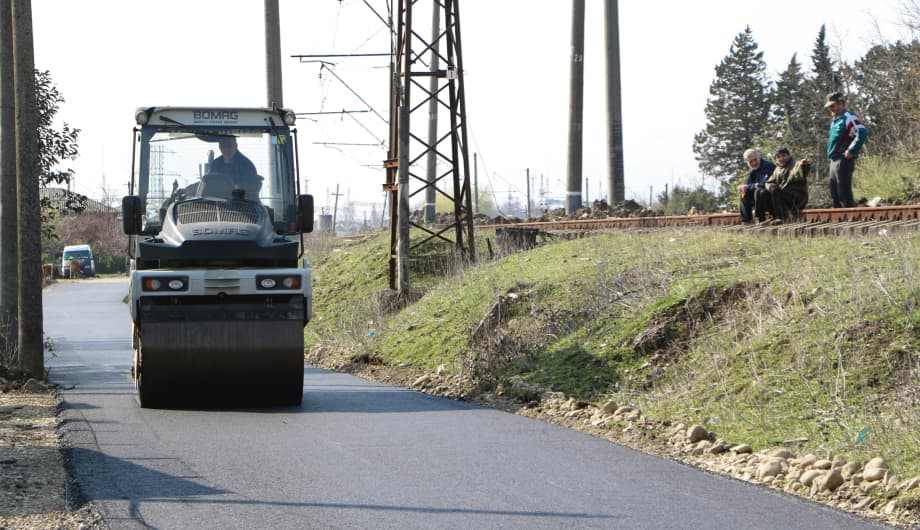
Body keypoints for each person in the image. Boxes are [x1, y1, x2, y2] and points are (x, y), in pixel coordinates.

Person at [825, 92, 867, 208]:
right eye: (829, 107)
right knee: (835, 195)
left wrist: (851, 151)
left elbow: (862, 132)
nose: (830, 109)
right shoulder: (835, 121)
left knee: (844, 193)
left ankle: (851, 218)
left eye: (832, 106)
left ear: (841, 104)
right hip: (834, 160)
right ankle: (839, 220)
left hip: (843, 159)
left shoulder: (848, 117)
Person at [763, 146, 810, 224]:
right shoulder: (777, 170)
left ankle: (781, 218)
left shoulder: (795, 165)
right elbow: (769, 182)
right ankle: (773, 217)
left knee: (775, 190)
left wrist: (804, 165)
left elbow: (802, 170)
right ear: (776, 159)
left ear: (788, 155)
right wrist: (770, 186)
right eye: (778, 157)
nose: (781, 158)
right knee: (763, 192)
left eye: (783, 155)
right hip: (784, 198)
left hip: (796, 198)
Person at [738, 148, 775, 223]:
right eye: (751, 162)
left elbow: (763, 184)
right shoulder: (752, 171)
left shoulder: (769, 166)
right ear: (747, 163)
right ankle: (746, 221)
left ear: (759, 157)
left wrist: (748, 186)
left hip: (771, 197)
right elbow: (749, 185)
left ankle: (760, 219)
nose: (754, 163)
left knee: (759, 191)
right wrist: (743, 187)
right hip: (759, 197)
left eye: (755, 160)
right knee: (744, 193)